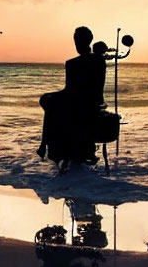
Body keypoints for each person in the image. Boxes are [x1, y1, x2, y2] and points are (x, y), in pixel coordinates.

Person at [37, 26, 106, 167]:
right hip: (93, 102)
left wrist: (50, 96)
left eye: (78, 41)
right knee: (50, 100)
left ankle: (44, 145)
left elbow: (70, 90)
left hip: (80, 102)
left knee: (47, 101)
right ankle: (46, 145)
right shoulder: (99, 60)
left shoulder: (72, 63)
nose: (77, 45)